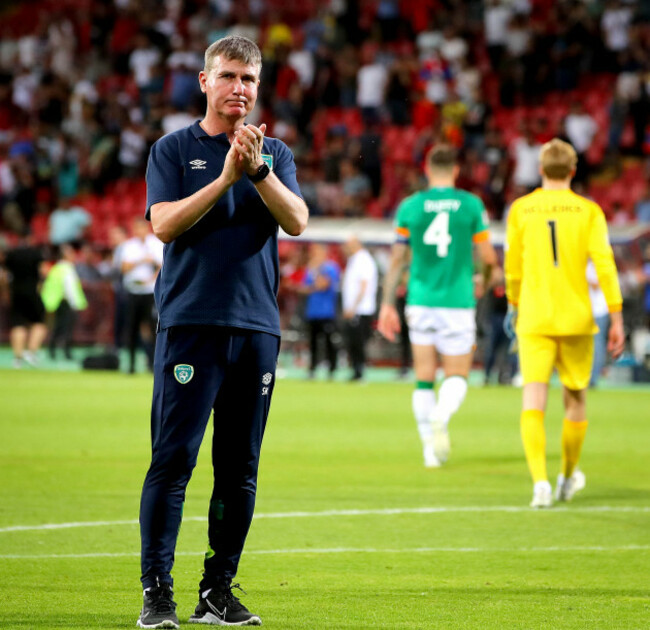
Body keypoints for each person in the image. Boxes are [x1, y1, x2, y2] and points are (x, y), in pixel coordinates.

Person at [137, 35, 308, 629]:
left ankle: (217, 590)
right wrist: (226, 177)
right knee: (173, 461)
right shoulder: (173, 149)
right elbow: (163, 225)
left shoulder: (274, 154)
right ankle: (157, 593)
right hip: (190, 324)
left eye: (250, 80)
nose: (240, 88)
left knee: (240, 468)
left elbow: (298, 221)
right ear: (205, 82)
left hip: (257, 326)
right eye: (230, 76)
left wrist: (256, 169)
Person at [503, 138, 624, 509]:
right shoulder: (589, 211)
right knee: (575, 401)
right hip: (576, 318)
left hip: (535, 317)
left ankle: (539, 482)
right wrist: (616, 316)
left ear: (540, 169)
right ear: (573, 171)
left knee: (533, 399)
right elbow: (604, 263)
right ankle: (567, 476)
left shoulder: (522, 209)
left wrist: (513, 304)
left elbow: (513, 266)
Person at [378, 144, 497, 468]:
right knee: (457, 375)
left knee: (424, 378)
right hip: (458, 302)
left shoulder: (410, 207)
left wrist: (387, 304)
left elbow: (398, 261)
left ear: (427, 170)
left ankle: (430, 451)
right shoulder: (471, 206)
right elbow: (488, 259)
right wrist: (483, 281)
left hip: (420, 300)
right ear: (456, 171)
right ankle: (441, 417)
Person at [121, 218, 163, 374]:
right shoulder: (129, 246)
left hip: (150, 292)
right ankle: (130, 365)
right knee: (131, 327)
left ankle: (152, 364)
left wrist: (152, 277)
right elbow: (124, 268)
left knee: (153, 328)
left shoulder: (156, 244)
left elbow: (162, 265)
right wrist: (141, 260)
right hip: (133, 290)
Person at [1, 230, 48, 367]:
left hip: (16, 293)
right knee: (39, 322)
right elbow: (43, 272)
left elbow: (4, 276)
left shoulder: (12, 254)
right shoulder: (36, 253)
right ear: (31, 238)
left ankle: (17, 358)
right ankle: (31, 353)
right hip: (33, 292)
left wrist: (6, 292)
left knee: (17, 324)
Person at [41, 243, 88, 360]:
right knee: (66, 328)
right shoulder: (67, 269)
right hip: (65, 302)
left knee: (58, 327)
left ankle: (52, 350)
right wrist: (74, 303)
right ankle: (66, 352)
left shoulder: (56, 268)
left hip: (56, 301)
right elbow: (70, 288)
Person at [301, 243, 340, 380]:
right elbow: (303, 288)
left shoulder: (330, 268)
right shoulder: (310, 269)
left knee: (329, 342)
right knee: (313, 343)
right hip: (312, 312)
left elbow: (323, 284)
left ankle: (332, 369)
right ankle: (312, 369)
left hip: (327, 312)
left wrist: (316, 275)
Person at [341, 235, 378, 381]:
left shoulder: (363, 260)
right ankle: (356, 370)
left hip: (361, 310)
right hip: (355, 309)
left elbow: (364, 286)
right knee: (353, 342)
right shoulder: (355, 260)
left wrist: (353, 307)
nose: (345, 248)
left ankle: (360, 371)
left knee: (358, 342)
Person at [587, 260, 610, 388]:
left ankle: (593, 377)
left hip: (599, 310)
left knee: (597, 344)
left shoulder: (598, 263)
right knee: (588, 345)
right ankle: (587, 376)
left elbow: (597, 284)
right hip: (588, 310)